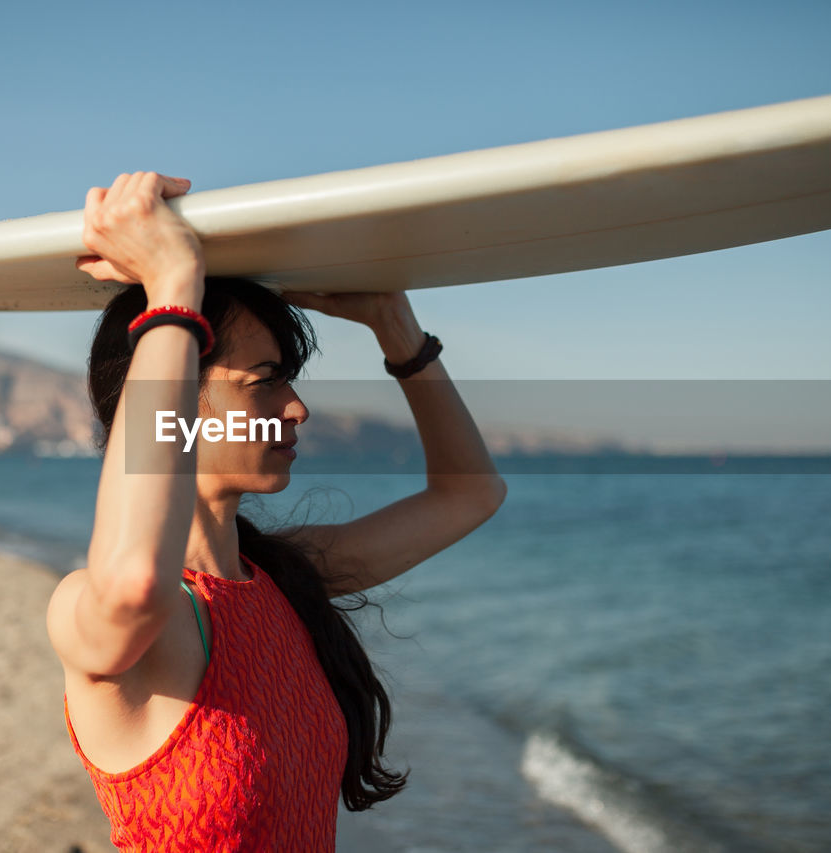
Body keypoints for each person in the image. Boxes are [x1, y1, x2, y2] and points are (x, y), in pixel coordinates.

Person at [46, 172, 506, 851]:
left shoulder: (285, 578)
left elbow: (471, 493)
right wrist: (173, 287)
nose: (297, 408)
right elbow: (135, 581)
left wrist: (395, 325)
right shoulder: (92, 608)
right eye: (265, 381)